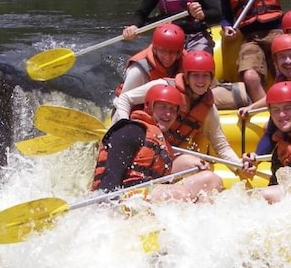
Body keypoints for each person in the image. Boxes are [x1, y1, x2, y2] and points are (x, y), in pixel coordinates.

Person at [113, 50, 256, 177]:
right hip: (139, 147)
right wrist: (124, 129)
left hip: (167, 156)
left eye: (205, 76)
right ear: (186, 77)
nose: (201, 81)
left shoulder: (209, 110)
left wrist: (239, 166)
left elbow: (221, 147)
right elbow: (125, 98)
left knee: (197, 166)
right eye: (196, 76)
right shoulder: (163, 86)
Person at [92, 84, 223, 203]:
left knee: (211, 180)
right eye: (162, 107)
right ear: (149, 107)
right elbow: (111, 176)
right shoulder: (131, 130)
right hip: (126, 196)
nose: (168, 114)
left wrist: (191, 164)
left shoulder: (161, 139)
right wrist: (108, 206)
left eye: (173, 109)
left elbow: (158, 172)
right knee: (182, 193)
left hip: (148, 191)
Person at [113, 23, 185, 110]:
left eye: (172, 52)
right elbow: (123, 102)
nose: (167, 57)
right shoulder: (138, 70)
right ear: (155, 49)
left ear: (179, 52)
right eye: (163, 51)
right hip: (135, 105)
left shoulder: (186, 61)